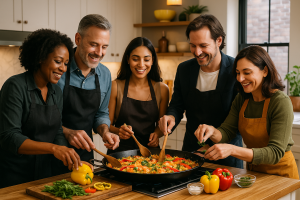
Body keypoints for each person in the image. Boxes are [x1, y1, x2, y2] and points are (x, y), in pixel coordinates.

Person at [194, 45, 299, 179]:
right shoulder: (241, 98)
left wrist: (231, 149)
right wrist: (211, 131)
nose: (240, 78)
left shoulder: (280, 102)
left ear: (265, 71)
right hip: (254, 173)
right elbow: (227, 131)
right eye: (238, 73)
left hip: (282, 175)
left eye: (247, 72)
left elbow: (275, 153)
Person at [0, 29, 83, 188]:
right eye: (58, 61)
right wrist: (53, 148)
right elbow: (9, 136)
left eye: (66, 64)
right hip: (14, 176)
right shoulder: (15, 86)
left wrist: (71, 158)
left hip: (45, 176)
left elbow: (57, 131)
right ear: (40, 58)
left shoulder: (55, 91)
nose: (63, 69)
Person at [158, 14, 243, 168]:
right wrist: (171, 116)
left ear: (219, 41)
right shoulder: (184, 69)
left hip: (226, 156)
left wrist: (210, 145)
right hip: (191, 154)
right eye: (193, 45)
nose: (197, 52)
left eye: (203, 45)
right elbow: (177, 105)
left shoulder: (236, 71)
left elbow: (239, 121)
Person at [55, 14, 119, 172]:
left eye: (104, 47)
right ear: (78, 39)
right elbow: (41, 119)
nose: (99, 52)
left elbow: (101, 114)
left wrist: (105, 131)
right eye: (94, 44)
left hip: (85, 157)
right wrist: (67, 132)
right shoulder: (57, 69)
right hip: (52, 153)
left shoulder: (105, 75)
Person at [107, 37, 169, 153]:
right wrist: (118, 131)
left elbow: (161, 126)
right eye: (135, 59)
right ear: (128, 59)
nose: (141, 65)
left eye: (146, 59)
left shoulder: (162, 89)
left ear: (152, 60)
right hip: (120, 153)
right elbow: (107, 124)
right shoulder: (115, 86)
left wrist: (156, 134)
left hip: (151, 154)